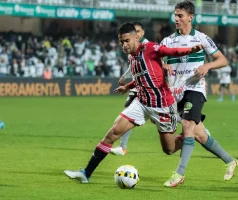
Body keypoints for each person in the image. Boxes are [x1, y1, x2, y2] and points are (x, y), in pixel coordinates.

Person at [64, 22, 203, 183]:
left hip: (163, 106)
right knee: (112, 134)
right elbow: (140, 77)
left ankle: (190, 135)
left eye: (127, 40)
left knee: (169, 149)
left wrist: (191, 50)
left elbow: (172, 51)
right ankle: (86, 174)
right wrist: (127, 87)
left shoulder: (150, 48)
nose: (124, 45)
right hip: (141, 103)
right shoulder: (132, 57)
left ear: (136, 37)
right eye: (121, 42)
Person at [160, 0, 238, 187]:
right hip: (176, 93)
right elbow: (157, 63)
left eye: (180, 15)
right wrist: (165, 64)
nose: (176, 19)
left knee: (187, 126)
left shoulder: (202, 38)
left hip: (195, 89)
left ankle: (179, 173)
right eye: (175, 15)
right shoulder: (168, 41)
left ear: (190, 17)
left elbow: (222, 60)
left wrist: (207, 66)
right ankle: (230, 160)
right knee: (199, 134)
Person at [110, 22, 149, 156]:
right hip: (138, 86)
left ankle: (198, 129)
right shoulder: (132, 48)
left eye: (138, 31)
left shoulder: (148, 47)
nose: (137, 33)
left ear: (142, 33)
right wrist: (125, 76)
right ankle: (122, 147)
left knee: (172, 117)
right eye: (135, 31)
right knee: (129, 114)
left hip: (151, 90)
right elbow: (132, 66)